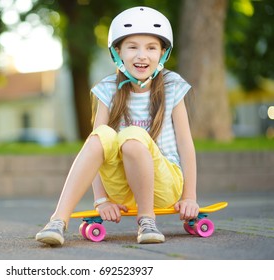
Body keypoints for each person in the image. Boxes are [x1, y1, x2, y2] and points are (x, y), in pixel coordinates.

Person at [35, 6, 199, 246]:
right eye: (132, 47)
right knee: (100, 135)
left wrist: (190, 196)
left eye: (151, 47)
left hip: (164, 186)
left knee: (132, 136)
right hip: (122, 190)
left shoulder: (172, 85)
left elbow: (185, 143)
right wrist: (102, 200)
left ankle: (147, 220)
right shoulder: (109, 88)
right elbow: (96, 148)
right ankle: (57, 221)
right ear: (118, 52)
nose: (141, 55)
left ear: (163, 53)